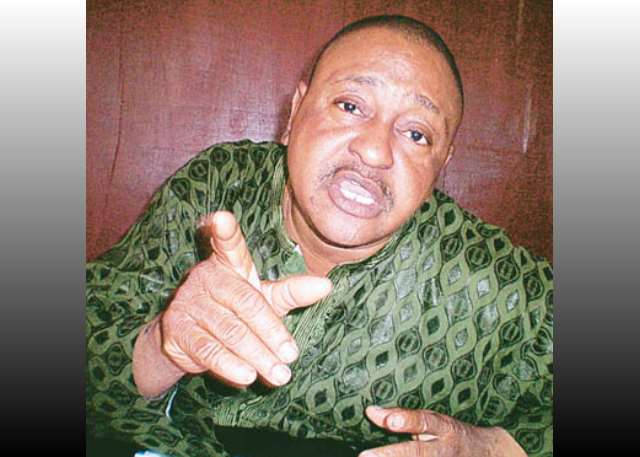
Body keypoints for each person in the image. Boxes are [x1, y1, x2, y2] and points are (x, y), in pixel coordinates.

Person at [86, 15, 552, 457]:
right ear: (295, 112)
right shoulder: (219, 188)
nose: (374, 151)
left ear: (442, 163)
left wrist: (496, 447)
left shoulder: (488, 279)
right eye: (350, 106)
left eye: (416, 134)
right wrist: (164, 344)